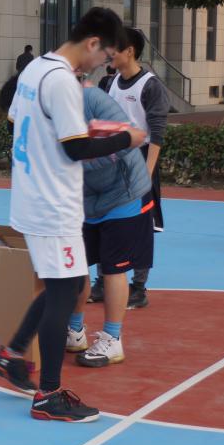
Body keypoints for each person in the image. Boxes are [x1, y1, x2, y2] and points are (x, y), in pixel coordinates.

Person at [0, 7, 145, 423]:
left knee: (70, 284)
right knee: (63, 292)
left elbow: (17, 122)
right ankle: (48, 393)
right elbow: (75, 148)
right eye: (105, 56)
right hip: (52, 204)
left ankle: (12, 354)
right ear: (92, 43)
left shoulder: (35, 69)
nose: (102, 65)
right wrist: (126, 138)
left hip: (34, 197)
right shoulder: (60, 80)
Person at [66, 81, 154, 368]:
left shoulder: (92, 98)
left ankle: (112, 339)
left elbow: (131, 139)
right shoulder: (46, 114)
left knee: (114, 268)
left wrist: (76, 161)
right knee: (76, 265)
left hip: (123, 194)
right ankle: (74, 331)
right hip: (84, 199)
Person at [101, 27, 168, 309]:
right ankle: (103, 280)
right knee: (104, 219)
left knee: (141, 225)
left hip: (140, 159)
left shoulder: (151, 86)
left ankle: (139, 287)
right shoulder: (110, 83)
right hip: (111, 159)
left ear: (130, 51)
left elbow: (158, 133)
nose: (109, 52)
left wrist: (147, 172)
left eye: (114, 47)